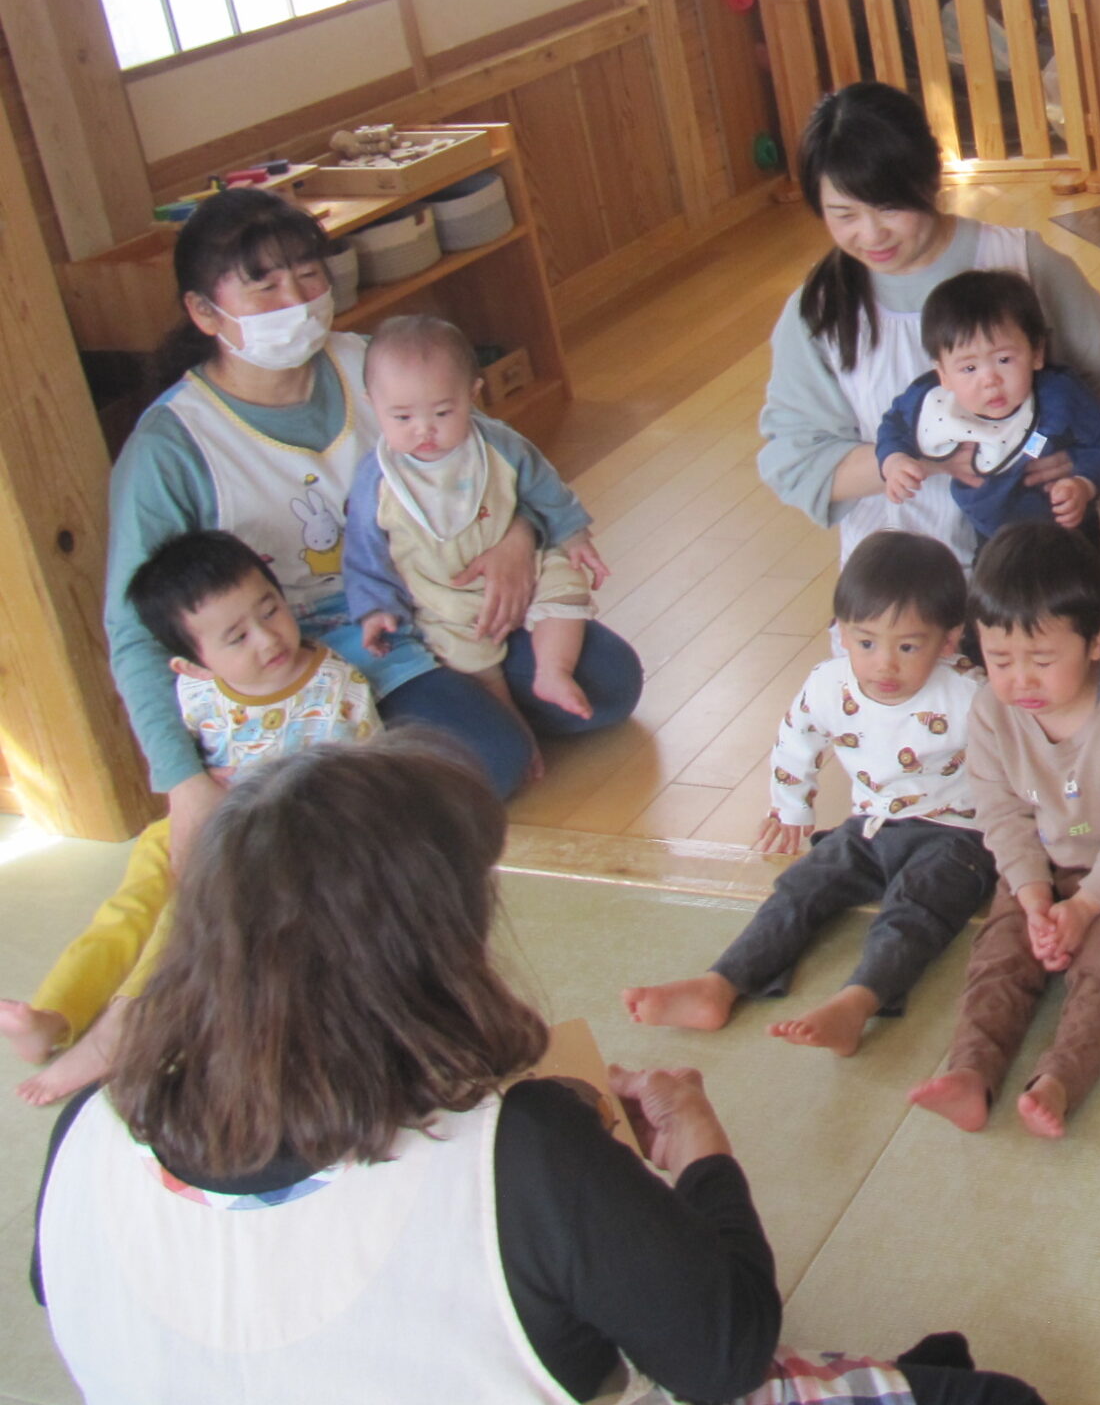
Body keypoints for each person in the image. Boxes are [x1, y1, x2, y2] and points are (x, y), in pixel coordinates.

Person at [31, 736, 1048, 1403]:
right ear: (424, 950)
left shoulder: (91, 1125)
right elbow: (723, 1352)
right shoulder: (520, 1155)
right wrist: (701, 1156)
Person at [103, 187, 642, 831]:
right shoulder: (171, 445)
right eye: (266, 287)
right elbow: (135, 630)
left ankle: (425, 725)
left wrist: (518, 538)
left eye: (308, 276)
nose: (297, 302)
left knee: (609, 684)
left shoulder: (373, 363)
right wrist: (183, 781)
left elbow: (499, 464)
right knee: (490, 762)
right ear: (205, 311)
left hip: (449, 583)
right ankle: (369, 738)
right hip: (323, 640)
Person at [4, 529, 377, 1106]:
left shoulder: (336, 687)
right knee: (132, 903)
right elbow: (190, 780)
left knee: (184, 914)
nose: (266, 638)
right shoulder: (199, 695)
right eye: (235, 637)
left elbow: (370, 783)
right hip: (205, 827)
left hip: (282, 843)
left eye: (270, 610)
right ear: (193, 664)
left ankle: (127, 1025)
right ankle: (57, 1012)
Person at [756, 83, 1100, 583]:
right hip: (905, 590)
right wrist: (913, 458)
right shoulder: (820, 310)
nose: (870, 234)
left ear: (930, 180)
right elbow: (795, 459)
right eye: (844, 215)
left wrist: (1078, 448)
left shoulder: (1020, 263)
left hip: (1046, 565)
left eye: (888, 208)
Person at [623, 531, 993, 1059]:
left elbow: (1024, 762)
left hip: (957, 832)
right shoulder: (828, 685)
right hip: (868, 826)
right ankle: (720, 985)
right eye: (866, 642)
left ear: (949, 641)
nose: (884, 664)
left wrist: (1054, 830)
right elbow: (798, 738)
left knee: (914, 907)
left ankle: (856, 1003)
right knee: (801, 887)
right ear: (840, 633)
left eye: (908, 646)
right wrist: (792, 805)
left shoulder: (969, 694)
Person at [907, 522, 1100, 1141]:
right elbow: (1000, 813)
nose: (1020, 679)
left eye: (1041, 660)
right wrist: (1035, 899)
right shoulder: (989, 712)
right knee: (1000, 956)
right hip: (1045, 865)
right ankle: (970, 1073)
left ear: (1094, 642)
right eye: (999, 658)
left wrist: (1084, 908)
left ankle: (1060, 1079)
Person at [346, 314, 612, 721]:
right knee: (467, 655)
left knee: (566, 585)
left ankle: (552, 672)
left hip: (525, 564)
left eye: (442, 413)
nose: (424, 430)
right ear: (372, 405)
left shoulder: (497, 444)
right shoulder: (377, 480)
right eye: (402, 418)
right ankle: (512, 722)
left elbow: (544, 486)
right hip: (444, 595)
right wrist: (376, 608)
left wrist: (574, 535)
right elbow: (364, 552)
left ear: (472, 395)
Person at [876, 270, 1100, 541]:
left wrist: (1084, 482)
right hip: (991, 539)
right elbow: (894, 426)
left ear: (1037, 352)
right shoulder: (931, 402)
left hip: (1071, 533)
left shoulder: (1061, 395)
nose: (989, 380)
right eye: (969, 367)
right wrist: (894, 461)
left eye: (1004, 359)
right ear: (943, 374)